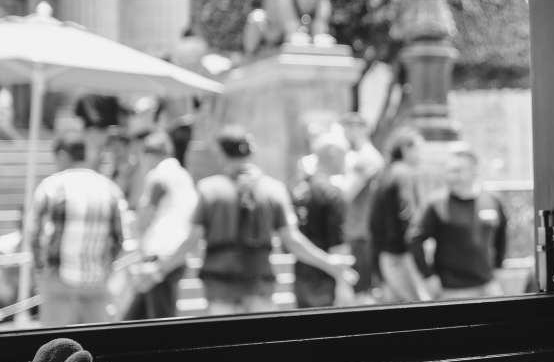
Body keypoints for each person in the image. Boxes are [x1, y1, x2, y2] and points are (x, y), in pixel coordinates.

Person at [153, 125, 356, 315]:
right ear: (251, 153)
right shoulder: (273, 190)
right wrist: (329, 263)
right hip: (261, 288)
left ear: (221, 153)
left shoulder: (209, 190)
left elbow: (191, 241)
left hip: (220, 290)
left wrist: (159, 270)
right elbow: (293, 241)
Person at [25, 132, 127, 326]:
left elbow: (34, 234)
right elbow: (119, 238)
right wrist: (106, 268)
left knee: (57, 346)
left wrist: (41, 271)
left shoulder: (50, 187)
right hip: (97, 282)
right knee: (95, 345)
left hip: (58, 282)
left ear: (62, 155)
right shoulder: (109, 188)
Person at [409, 147, 507, 299]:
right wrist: (428, 276)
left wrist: (499, 267)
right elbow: (414, 239)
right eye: (449, 171)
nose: (452, 176)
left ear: (474, 171)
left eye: (458, 171)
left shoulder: (492, 201)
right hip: (451, 290)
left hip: (488, 286)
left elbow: (502, 235)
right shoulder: (437, 203)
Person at [124, 131, 197, 320]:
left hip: (158, 256)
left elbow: (145, 216)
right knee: (135, 318)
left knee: (161, 320)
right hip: (177, 254)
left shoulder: (158, 176)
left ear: (149, 154)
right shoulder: (184, 176)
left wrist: (138, 245)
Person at [290, 131, 349, 309]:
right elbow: (337, 244)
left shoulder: (300, 191)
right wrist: (343, 281)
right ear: (333, 155)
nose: (346, 161)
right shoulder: (332, 193)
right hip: (325, 278)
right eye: (344, 155)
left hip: (301, 272)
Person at [370, 128, 428, 302]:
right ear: (405, 149)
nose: (421, 155)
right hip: (401, 254)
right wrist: (419, 253)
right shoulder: (403, 173)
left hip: (387, 253)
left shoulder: (386, 173)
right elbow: (408, 216)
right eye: (418, 149)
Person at [340, 112, 384, 298]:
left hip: (360, 231)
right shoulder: (357, 155)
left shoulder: (366, 157)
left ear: (362, 128)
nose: (347, 132)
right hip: (357, 229)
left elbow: (346, 194)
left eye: (352, 126)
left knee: (361, 292)